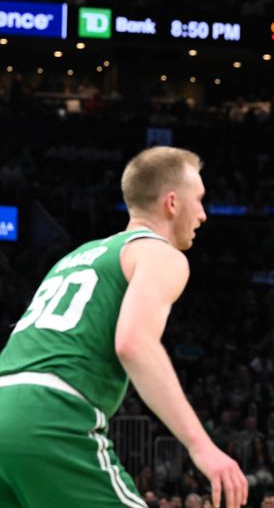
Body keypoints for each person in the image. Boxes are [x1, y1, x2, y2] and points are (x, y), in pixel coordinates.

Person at [0, 147, 248, 508]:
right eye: (199, 201)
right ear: (172, 203)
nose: (203, 215)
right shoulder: (160, 254)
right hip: (48, 415)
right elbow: (133, 343)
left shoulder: (76, 257)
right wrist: (202, 447)